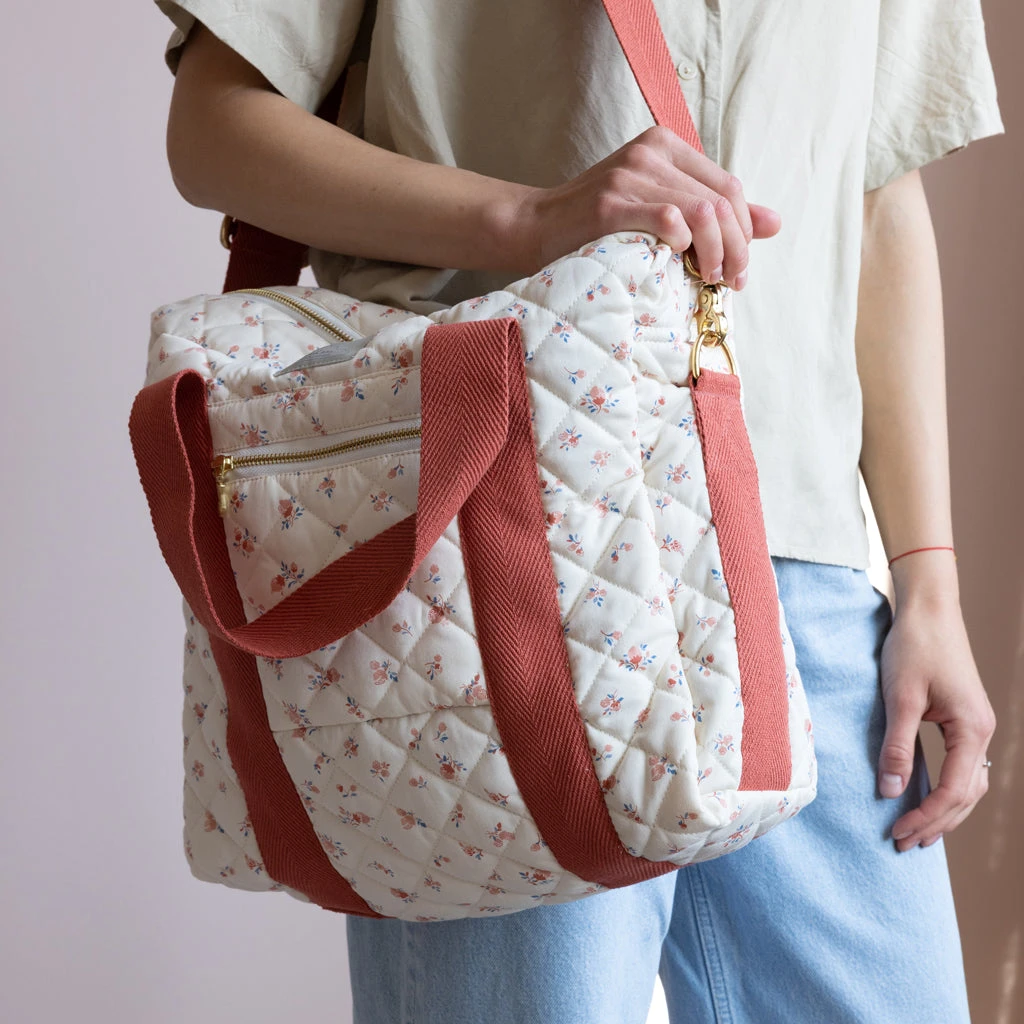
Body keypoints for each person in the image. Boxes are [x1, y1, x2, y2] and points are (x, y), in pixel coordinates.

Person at [155, 1, 1004, 1020]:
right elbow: (214, 126)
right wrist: (528, 218)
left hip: (797, 561)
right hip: (499, 550)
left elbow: (876, 193)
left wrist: (928, 584)